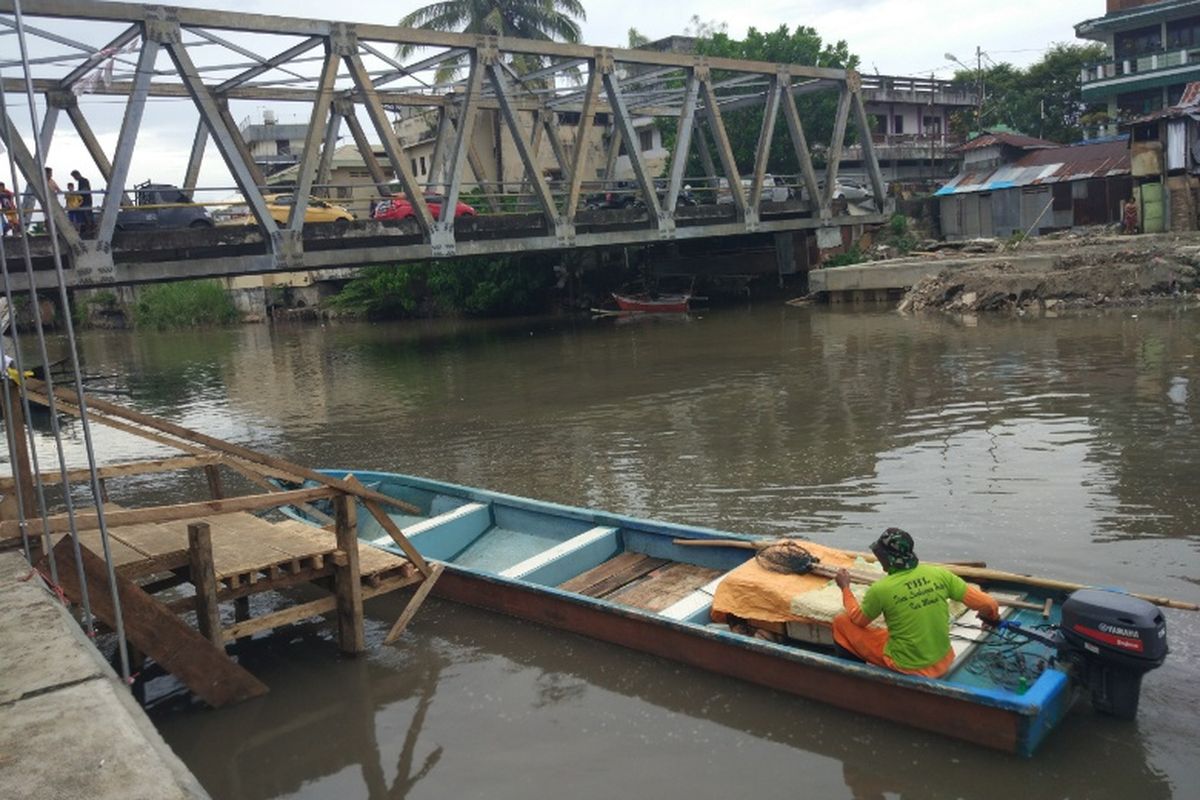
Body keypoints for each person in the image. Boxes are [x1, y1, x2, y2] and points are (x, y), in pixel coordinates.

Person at [831, 527, 1000, 678]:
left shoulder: (881, 589)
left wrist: (845, 588)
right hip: (944, 660)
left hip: (908, 666)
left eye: (879, 555)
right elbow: (989, 604)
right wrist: (991, 619)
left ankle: (852, 678)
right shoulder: (939, 574)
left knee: (841, 622)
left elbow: (858, 619)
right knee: (888, 632)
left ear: (886, 558)